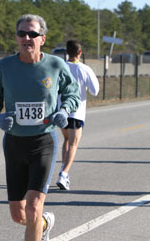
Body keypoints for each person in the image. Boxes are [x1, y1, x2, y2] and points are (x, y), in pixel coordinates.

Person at [0, 14, 80, 241]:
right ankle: (45, 224)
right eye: (22, 33)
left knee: (34, 207)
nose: (27, 37)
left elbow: (72, 93)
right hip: (14, 143)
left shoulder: (55, 65)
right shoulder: (4, 67)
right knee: (20, 215)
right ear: (17, 38)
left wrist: (64, 110)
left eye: (32, 34)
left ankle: (39, 221)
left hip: (43, 142)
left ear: (42, 39)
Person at [56, 40, 99, 190]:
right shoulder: (84, 69)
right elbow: (95, 90)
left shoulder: (60, 66)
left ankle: (63, 170)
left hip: (61, 110)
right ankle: (64, 174)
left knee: (66, 140)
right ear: (80, 53)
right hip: (76, 111)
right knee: (74, 144)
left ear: (67, 52)